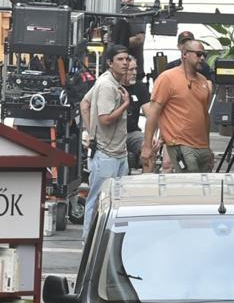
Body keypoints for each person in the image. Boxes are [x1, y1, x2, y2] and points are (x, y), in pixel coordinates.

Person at [78, 45, 134, 236]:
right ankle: (88, 241)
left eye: (127, 59)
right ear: (110, 63)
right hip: (107, 153)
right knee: (98, 199)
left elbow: (84, 103)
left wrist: (90, 132)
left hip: (117, 151)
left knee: (115, 201)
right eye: (120, 59)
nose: (125, 62)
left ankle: (104, 241)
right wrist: (126, 104)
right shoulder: (107, 85)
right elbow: (105, 119)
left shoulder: (108, 81)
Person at [140, 39, 214, 173]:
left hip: (202, 145)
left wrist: (208, 147)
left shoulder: (203, 81)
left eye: (204, 55)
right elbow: (153, 113)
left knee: (202, 188)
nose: (202, 58)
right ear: (184, 54)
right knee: (190, 182)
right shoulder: (167, 78)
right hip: (180, 144)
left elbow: (205, 116)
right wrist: (147, 146)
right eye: (198, 54)